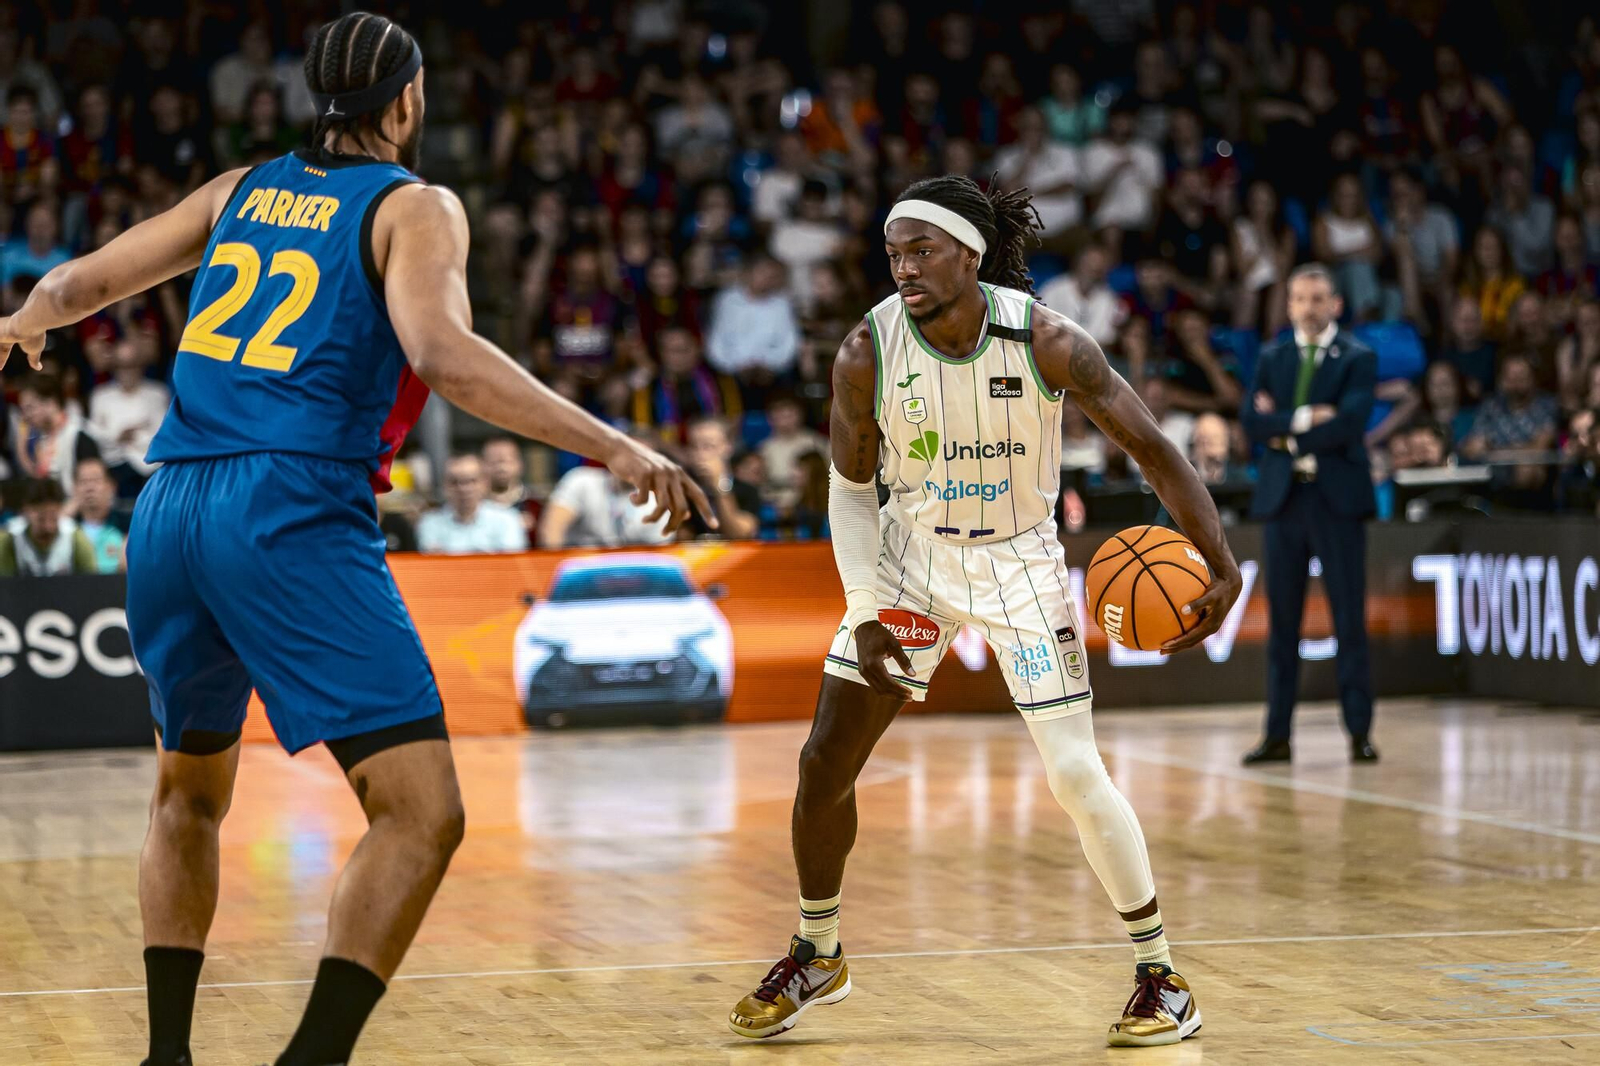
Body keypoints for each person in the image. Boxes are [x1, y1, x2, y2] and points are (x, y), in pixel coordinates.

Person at [0, 14, 709, 1065]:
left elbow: (67, 292)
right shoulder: (414, 205)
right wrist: (613, 446)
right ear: (405, 105)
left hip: (170, 503)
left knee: (187, 793)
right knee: (421, 815)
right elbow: (446, 356)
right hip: (287, 507)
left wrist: (19, 326)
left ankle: (165, 1057)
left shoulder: (241, 189)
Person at [727, 175, 1241, 1049]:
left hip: (1019, 569)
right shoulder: (867, 349)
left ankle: (1162, 974)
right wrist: (865, 611)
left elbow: (1153, 447)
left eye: (921, 251)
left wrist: (1219, 562)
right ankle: (817, 950)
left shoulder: (1047, 340)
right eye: (893, 254)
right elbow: (849, 491)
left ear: (969, 254)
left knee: (1076, 776)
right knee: (823, 764)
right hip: (911, 564)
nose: (904, 269)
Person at [1239, 265, 1379, 766]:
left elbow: (1350, 423)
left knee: (1348, 620)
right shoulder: (1273, 354)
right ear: (1290, 304)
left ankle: (1359, 732)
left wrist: (1285, 431)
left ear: (1336, 304)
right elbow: (1251, 422)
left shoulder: (1359, 356)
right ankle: (1277, 734)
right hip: (1284, 501)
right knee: (1282, 626)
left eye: (1318, 298)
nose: (1309, 307)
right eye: (1300, 298)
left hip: (1336, 501)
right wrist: (1305, 419)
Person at [9, 370, 100, 494]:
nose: (25, 416)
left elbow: (91, 487)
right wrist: (21, 446)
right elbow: (39, 479)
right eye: (23, 410)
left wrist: (65, 512)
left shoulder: (79, 434)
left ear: (50, 403)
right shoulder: (43, 439)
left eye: (30, 408)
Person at [417, 453, 529, 554]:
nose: (463, 488)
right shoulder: (429, 523)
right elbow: (433, 568)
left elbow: (512, 565)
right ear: (444, 486)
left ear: (485, 483)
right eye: (454, 482)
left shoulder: (508, 520)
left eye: (471, 481)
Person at [0, 476, 97, 577]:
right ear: (27, 510)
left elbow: (92, 586)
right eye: (41, 519)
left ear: (60, 510)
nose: (48, 526)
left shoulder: (75, 538)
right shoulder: (10, 539)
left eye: (53, 518)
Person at [1037, 240, 1124, 346]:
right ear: (1078, 263)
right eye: (1089, 264)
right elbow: (1040, 326)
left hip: (1093, 356)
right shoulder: (1053, 289)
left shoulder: (1109, 299)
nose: (1093, 269)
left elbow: (1106, 338)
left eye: (1097, 268)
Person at [72, 455, 126, 573]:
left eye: (96, 480)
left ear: (111, 487)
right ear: (74, 488)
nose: (89, 487)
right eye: (83, 481)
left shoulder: (127, 526)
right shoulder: (67, 529)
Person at [481, 435, 538, 537]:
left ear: (520, 464)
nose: (501, 467)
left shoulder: (535, 508)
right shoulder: (471, 507)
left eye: (506, 461)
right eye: (493, 461)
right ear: (482, 466)